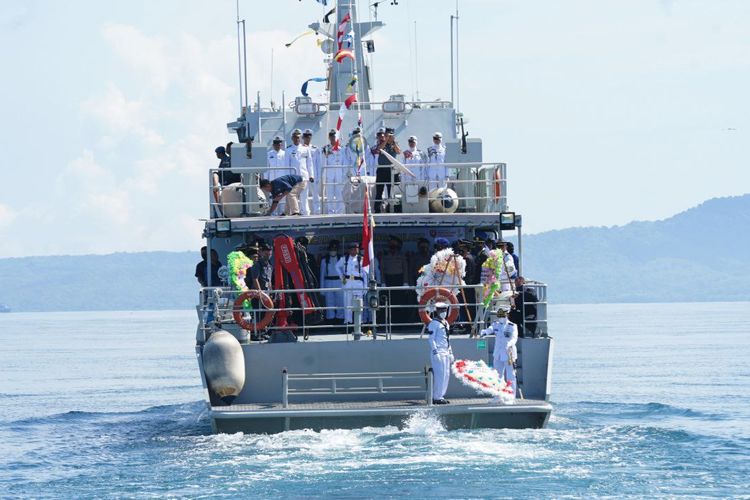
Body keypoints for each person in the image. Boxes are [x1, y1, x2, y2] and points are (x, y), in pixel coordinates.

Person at [480, 308, 518, 398]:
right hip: (498, 354)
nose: (501, 318)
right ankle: (497, 396)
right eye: (499, 316)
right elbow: (490, 329)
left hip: (509, 354)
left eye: (502, 316)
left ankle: (511, 396)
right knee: (497, 375)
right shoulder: (495, 324)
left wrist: (510, 343)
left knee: (510, 376)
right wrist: (484, 332)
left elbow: (514, 338)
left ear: (507, 315)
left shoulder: (512, 326)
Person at [427, 302, 454, 405]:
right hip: (438, 352)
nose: (444, 312)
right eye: (442, 310)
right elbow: (431, 339)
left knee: (446, 374)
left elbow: (447, 339)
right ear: (437, 311)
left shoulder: (446, 323)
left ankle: (441, 395)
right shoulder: (433, 323)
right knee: (439, 375)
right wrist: (435, 352)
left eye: (445, 310)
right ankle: (436, 397)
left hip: (446, 351)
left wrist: (451, 352)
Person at [336, 242, 367, 324]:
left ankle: (359, 322)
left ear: (358, 250)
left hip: (358, 284)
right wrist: (341, 277)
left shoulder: (361, 259)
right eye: (352, 249)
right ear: (349, 250)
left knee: (359, 304)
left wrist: (365, 286)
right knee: (347, 304)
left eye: (356, 249)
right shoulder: (344, 259)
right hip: (348, 283)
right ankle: (348, 322)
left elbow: (365, 274)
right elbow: (337, 266)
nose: (354, 251)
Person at [381, 235, 410, 323]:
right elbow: (382, 269)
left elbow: (405, 269)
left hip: (399, 279)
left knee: (400, 302)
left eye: (394, 245)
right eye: (391, 245)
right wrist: (383, 282)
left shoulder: (401, 255)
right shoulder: (384, 255)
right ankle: (390, 321)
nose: (392, 247)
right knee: (389, 302)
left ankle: (400, 321)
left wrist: (405, 282)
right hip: (389, 280)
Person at [284, 129, 313, 215]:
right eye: (295, 137)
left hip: (304, 176)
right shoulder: (288, 150)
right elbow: (287, 165)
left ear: (300, 138)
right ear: (292, 138)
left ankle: (306, 214)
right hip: (293, 178)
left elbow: (309, 163)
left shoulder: (305, 149)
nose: (297, 139)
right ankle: (295, 213)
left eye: (298, 137)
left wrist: (311, 175)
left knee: (304, 197)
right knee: (293, 196)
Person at [374, 128, 401, 213]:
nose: (389, 137)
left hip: (391, 171)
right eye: (387, 135)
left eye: (390, 135)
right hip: (381, 170)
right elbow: (379, 150)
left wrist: (393, 141)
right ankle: (377, 210)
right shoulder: (382, 144)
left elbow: (398, 151)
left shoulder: (394, 145)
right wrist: (386, 140)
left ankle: (390, 209)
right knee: (379, 191)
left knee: (391, 192)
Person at [321, 129, 347, 214]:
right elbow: (324, 162)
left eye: (334, 136)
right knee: (330, 195)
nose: (333, 138)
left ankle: (340, 212)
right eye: (331, 136)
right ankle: (330, 211)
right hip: (330, 174)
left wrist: (344, 175)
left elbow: (344, 163)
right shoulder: (326, 149)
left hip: (339, 174)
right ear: (329, 137)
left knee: (340, 194)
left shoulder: (342, 150)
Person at [319, 240, 344, 323]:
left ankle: (340, 319)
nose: (333, 251)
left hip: (339, 282)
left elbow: (344, 273)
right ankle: (330, 319)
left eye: (334, 249)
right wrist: (322, 289)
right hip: (328, 282)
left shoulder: (342, 259)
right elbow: (322, 275)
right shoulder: (324, 260)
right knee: (329, 302)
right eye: (331, 250)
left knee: (340, 302)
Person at [302, 129, 322, 214]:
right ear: (303, 137)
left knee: (316, 195)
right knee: (304, 195)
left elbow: (318, 164)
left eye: (309, 136)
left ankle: (317, 211)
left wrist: (318, 176)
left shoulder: (315, 149)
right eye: (306, 136)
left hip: (314, 175)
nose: (307, 138)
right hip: (304, 175)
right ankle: (305, 212)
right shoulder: (300, 149)